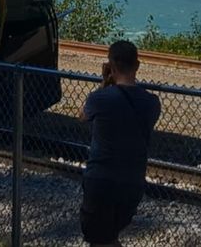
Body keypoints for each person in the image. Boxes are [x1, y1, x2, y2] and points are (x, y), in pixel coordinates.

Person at [78, 40, 161, 246]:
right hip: (132, 183)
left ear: (111, 66)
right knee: (109, 237)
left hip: (101, 180)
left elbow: (82, 117)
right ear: (137, 65)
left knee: (99, 239)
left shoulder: (99, 98)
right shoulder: (152, 103)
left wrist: (105, 83)